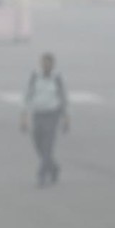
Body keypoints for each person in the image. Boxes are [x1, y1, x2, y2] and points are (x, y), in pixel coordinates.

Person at [20, 52, 69, 187]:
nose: (46, 65)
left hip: (52, 115)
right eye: (44, 62)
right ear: (41, 63)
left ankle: (41, 174)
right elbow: (27, 96)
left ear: (53, 65)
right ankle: (53, 167)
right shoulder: (35, 76)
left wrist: (66, 117)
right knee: (38, 143)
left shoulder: (57, 78)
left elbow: (63, 98)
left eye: (49, 63)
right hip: (38, 114)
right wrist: (24, 116)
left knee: (48, 146)